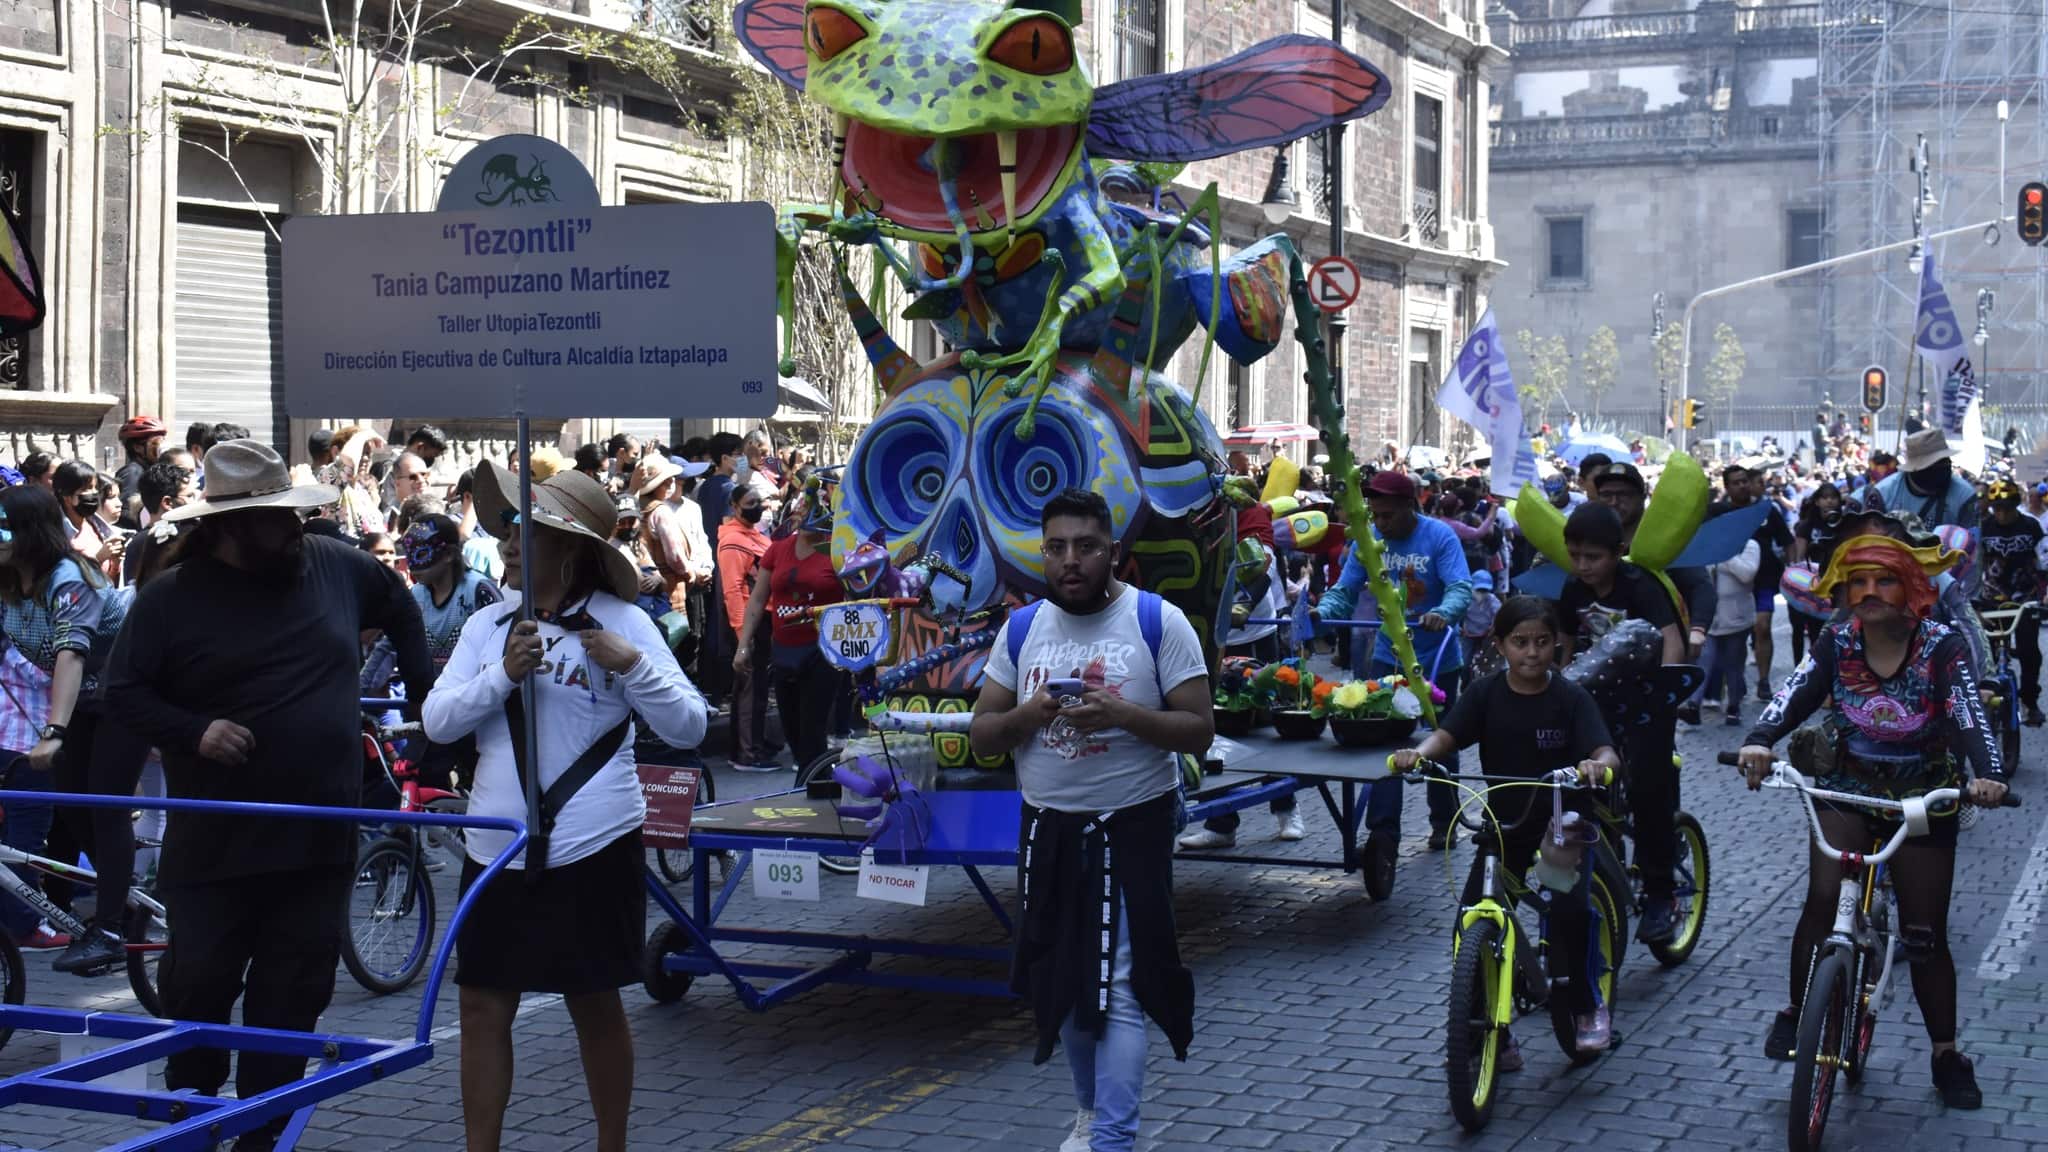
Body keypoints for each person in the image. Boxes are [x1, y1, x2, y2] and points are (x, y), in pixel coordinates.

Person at [94, 440, 433, 1151]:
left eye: (294, 512)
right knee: (200, 993)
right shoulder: (169, 600)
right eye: (275, 518)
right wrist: (195, 731)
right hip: (215, 846)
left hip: (318, 839)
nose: (293, 528)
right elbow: (121, 693)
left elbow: (401, 608)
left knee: (292, 1001)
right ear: (227, 525)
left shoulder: (335, 563)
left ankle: (262, 1138)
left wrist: (429, 706)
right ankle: (192, 1128)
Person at [424, 461, 705, 1152]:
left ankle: (613, 1143)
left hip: (594, 843)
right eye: (509, 529)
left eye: (529, 531)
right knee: (482, 1004)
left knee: (595, 1004)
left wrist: (632, 666)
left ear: (571, 548)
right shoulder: (489, 627)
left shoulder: (624, 622)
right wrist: (501, 677)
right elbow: (436, 722)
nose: (510, 543)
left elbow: (690, 728)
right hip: (495, 848)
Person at [971, 488, 1211, 1152]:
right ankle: (1087, 1112)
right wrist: (1032, 714)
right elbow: (985, 734)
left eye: (1085, 546)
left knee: (1122, 987)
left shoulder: (1159, 623)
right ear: (1041, 553)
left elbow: (1198, 731)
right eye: (1056, 547)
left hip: (1132, 826)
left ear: (1114, 551)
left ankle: (1113, 1139)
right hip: (1049, 829)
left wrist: (1122, 714)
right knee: (1066, 984)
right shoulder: (1021, 630)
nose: (1070, 560)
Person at [1735, 533, 2008, 1109]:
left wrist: (1988, 773)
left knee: (1924, 934)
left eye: (1882, 580)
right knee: (1820, 899)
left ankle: (1946, 1053)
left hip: (1924, 796)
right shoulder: (1837, 640)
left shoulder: (1941, 646)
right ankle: (1795, 1011)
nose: (1868, 592)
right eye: (1856, 582)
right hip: (1846, 787)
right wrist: (1759, 740)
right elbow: (1795, 693)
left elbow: (1964, 711)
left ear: (1909, 587)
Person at [1391, 596, 1621, 1057]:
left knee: (1570, 910)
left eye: (1541, 642)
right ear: (1499, 645)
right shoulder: (1484, 693)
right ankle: (1483, 1028)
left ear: (1557, 645)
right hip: (1506, 822)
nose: (1531, 653)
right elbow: (1447, 735)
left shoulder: (1571, 698)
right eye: (1519, 643)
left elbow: (1605, 751)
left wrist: (1596, 766)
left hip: (1564, 818)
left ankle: (1586, 1003)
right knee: (1470, 918)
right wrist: (1419, 753)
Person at [0, 484, 129, 952]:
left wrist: (54, 731)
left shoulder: (69, 576)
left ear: (25, 533)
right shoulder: (9, 580)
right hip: (75, 702)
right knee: (72, 814)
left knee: (104, 808)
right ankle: (122, 904)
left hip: (121, 695)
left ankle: (111, 926)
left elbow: (71, 655)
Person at [1555, 501, 1689, 944]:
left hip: (1645, 702)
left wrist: (1667, 696)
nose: (1583, 565)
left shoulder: (1641, 585)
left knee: (1650, 790)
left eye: (1592, 557)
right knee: (1575, 785)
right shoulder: (1573, 590)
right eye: (1575, 555)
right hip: (1593, 704)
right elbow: (1567, 647)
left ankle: (1660, 894)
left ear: (1618, 552)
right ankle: (1574, 873)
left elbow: (1671, 640)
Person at [1318, 469, 1471, 849]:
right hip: (1387, 659)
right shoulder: (1367, 541)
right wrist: (1321, 611)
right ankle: (1383, 832)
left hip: (1437, 659)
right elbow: (1344, 590)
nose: (1381, 523)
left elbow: (1460, 586)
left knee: (1441, 743)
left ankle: (1444, 820)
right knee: (1383, 746)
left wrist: (1445, 613)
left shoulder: (1440, 537)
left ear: (1410, 505)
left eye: (1388, 515)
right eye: (1375, 515)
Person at [1179, 515, 1299, 848]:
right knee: (1213, 726)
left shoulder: (1247, 509)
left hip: (1253, 632)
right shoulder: (1192, 509)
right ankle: (1221, 823)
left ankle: (1288, 808)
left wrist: (1241, 602)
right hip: (1206, 635)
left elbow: (1263, 565)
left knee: (1266, 725)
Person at [731, 484, 846, 772]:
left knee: (812, 732)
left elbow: (855, 599)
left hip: (822, 652)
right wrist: (744, 644)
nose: (805, 513)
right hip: (783, 650)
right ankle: (810, 779)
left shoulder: (837, 551)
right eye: (803, 508)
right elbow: (758, 598)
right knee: (792, 730)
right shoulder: (777, 550)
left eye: (814, 509)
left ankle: (815, 789)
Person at [1713, 457, 1794, 700]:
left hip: (1764, 580)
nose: (1742, 486)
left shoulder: (1767, 509)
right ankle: (1733, 683)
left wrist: (1794, 572)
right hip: (1730, 585)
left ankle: (1764, 681)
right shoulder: (1718, 512)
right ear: (1726, 486)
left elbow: (1787, 541)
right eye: (1736, 483)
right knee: (1732, 637)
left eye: (1745, 481)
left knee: (1762, 627)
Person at [717, 484, 778, 772]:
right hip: (748, 622)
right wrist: (743, 634)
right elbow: (732, 589)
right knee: (749, 689)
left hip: (763, 620)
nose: (758, 506)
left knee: (756, 688)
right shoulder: (731, 541)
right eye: (750, 502)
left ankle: (753, 743)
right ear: (734, 505)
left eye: (760, 501)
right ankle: (747, 753)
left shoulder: (756, 536)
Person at [1976, 478, 2045, 726]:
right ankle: (1990, 699)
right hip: (1991, 598)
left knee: (2029, 652)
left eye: (2007, 508)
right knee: (1988, 653)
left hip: (2025, 598)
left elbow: (2044, 560)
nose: (2002, 514)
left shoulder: (2031, 526)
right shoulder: (1984, 528)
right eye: (1997, 508)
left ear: (2016, 505)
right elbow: (1974, 564)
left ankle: (2029, 702)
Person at [1788, 481, 1845, 667]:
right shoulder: (1807, 525)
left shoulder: (1845, 523)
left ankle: (1823, 666)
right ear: (1817, 501)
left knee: (1828, 629)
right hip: (1810, 581)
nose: (1829, 501)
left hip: (1836, 583)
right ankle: (1800, 667)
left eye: (1833, 497)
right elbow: (1799, 556)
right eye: (1824, 497)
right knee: (1802, 628)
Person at [52, 460, 124, 582]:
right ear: (66, 495)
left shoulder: (96, 526)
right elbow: (66, 584)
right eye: (87, 489)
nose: (94, 493)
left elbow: (108, 583)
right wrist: (98, 558)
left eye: (95, 488)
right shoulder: (58, 536)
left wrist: (115, 563)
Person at [113, 416, 167, 524]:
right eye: (155, 443)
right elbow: (124, 512)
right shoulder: (133, 472)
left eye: (163, 440)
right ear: (138, 447)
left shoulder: (150, 471)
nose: (160, 447)